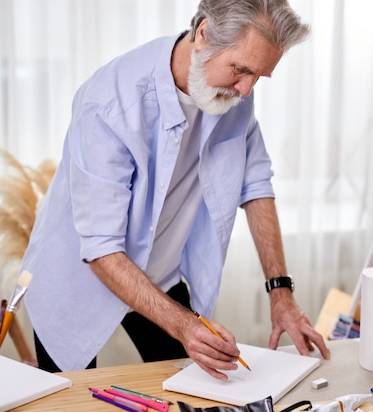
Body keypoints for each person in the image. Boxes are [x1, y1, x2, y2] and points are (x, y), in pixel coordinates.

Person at [21, 0, 330, 380]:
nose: (247, 90)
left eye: (258, 77)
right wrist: (185, 325)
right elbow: (101, 247)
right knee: (71, 402)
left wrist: (281, 293)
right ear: (203, 35)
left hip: (158, 274)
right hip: (79, 275)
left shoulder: (233, 96)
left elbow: (255, 184)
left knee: (191, 390)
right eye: (241, 70)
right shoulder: (110, 102)